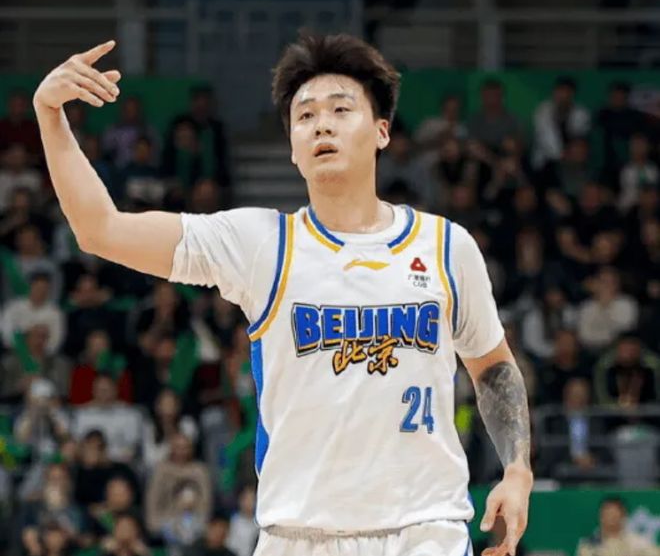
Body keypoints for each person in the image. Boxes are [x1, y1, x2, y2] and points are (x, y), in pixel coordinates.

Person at [34, 34, 533, 556]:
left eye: (341, 109)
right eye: (305, 115)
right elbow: (101, 230)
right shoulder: (260, 244)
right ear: (293, 149)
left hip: (426, 532)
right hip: (300, 536)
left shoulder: (447, 247)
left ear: (382, 131)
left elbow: (493, 368)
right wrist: (50, 114)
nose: (322, 124)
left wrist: (518, 469)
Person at [577, 497, 660, 556]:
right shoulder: (588, 544)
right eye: (606, 513)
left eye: (614, 514)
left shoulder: (638, 543)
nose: (610, 518)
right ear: (600, 516)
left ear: (623, 516)